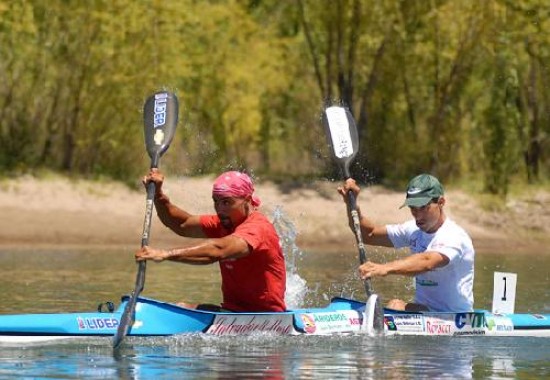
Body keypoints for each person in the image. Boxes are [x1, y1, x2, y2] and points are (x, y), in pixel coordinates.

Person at [136, 169, 287, 312]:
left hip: (266, 317)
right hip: (231, 312)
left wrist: (165, 254)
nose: (219, 210)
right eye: (216, 201)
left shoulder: (258, 228)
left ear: (247, 200)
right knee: (180, 307)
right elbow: (182, 224)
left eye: (227, 202)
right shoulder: (224, 223)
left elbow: (219, 250)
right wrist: (158, 195)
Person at [338, 173, 475, 312]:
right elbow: (369, 234)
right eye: (413, 208)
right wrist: (352, 204)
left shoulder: (454, 235)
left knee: (395, 307)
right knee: (395, 305)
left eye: (423, 207)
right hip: (425, 313)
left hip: (457, 320)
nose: (418, 215)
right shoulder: (413, 230)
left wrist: (385, 268)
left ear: (441, 202)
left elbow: (427, 261)